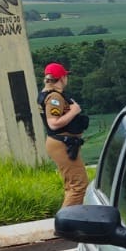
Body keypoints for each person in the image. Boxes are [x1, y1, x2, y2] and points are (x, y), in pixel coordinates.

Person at [38, 62, 89, 208]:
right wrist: (74, 111)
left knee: (71, 186)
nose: (67, 79)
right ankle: (66, 224)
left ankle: (70, 220)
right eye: (65, 76)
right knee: (79, 186)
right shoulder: (55, 97)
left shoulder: (47, 93)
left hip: (61, 142)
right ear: (61, 78)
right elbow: (53, 123)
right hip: (62, 143)